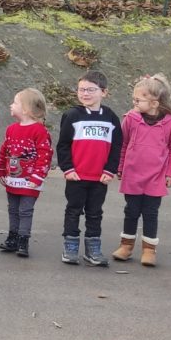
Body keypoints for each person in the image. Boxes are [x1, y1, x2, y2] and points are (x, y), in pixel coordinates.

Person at [56, 70, 123, 266]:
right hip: (76, 176)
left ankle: (93, 248)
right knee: (73, 210)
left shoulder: (110, 117)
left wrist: (110, 170)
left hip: (99, 178)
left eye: (91, 90)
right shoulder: (72, 115)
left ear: (104, 92)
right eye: (81, 90)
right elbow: (63, 145)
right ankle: (70, 246)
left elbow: (117, 146)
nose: (85, 94)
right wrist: (68, 169)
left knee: (95, 212)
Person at [114, 75, 171, 267]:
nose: (134, 103)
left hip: (156, 176)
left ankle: (149, 250)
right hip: (132, 174)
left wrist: (169, 173)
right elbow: (123, 143)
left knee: (151, 212)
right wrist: (120, 167)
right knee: (131, 211)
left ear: (154, 102)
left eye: (138, 100)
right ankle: (126, 247)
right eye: (133, 99)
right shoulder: (131, 119)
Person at [0, 88, 52, 259]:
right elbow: (5, 150)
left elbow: (45, 155)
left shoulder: (39, 131)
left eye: (15, 102)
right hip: (13, 178)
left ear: (26, 109)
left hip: (30, 180)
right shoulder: (11, 129)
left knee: (25, 210)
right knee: (12, 209)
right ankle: (12, 237)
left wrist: (37, 176)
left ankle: (23, 240)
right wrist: (0, 169)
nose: (11, 105)